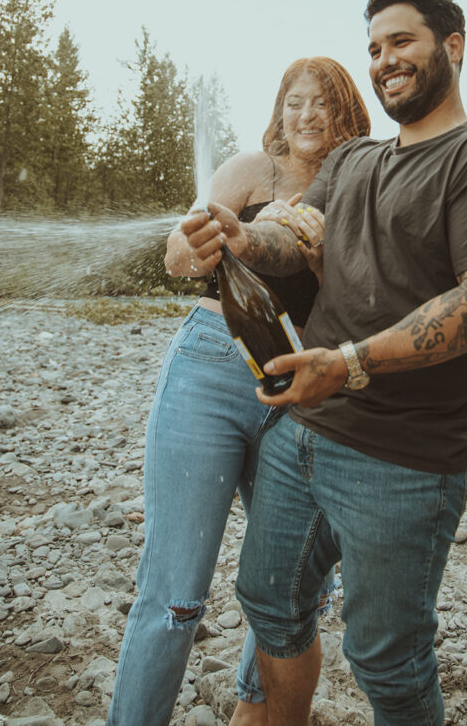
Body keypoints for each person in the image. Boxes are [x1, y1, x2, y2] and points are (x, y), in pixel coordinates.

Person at [183, 0, 467, 726]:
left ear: (453, 47)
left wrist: (347, 364)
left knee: (385, 654)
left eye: (400, 41)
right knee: (269, 602)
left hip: (407, 458)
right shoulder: (354, 162)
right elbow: (297, 238)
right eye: (374, 48)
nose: (383, 60)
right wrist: (242, 238)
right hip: (305, 438)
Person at [106, 57, 370, 726]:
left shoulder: (362, 188)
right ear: (278, 113)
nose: (305, 115)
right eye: (293, 102)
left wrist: (313, 250)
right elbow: (177, 252)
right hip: (211, 369)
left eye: (321, 103)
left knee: (292, 583)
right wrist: (194, 244)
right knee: (175, 591)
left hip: (300, 389)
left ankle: (254, 712)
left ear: (348, 113)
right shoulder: (253, 170)